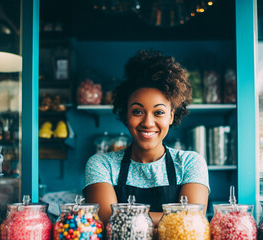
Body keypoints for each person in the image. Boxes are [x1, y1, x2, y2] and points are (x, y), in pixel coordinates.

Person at [83, 50, 210, 230]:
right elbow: (108, 220)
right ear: (126, 115)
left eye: (158, 112)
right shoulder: (101, 165)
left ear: (171, 116)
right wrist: (173, 218)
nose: (148, 122)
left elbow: (192, 220)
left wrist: (126, 218)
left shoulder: (190, 163)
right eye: (137, 111)